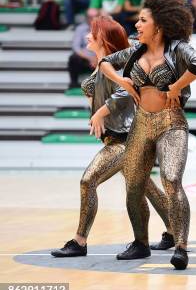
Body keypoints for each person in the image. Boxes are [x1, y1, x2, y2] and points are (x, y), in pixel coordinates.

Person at [99, 0, 196, 270]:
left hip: (171, 124)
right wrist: (123, 82)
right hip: (142, 123)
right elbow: (104, 63)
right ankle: (140, 243)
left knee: (171, 181)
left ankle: (181, 246)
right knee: (134, 185)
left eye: (142, 21)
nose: (136, 25)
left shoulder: (177, 48)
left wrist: (176, 86)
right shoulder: (136, 50)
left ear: (158, 26)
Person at [51, 16, 172, 257]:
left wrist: (100, 112)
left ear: (103, 39)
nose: (86, 36)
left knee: (88, 181)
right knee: (145, 187)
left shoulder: (120, 67)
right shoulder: (100, 68)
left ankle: (79, 241)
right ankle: (173, 232)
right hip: (114, 138)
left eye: (92, 33)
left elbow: (126, 92)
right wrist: (96, 113)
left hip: (127, 140)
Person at [67, 11, 96, 89]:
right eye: (91, 17)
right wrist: (90, 58)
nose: (93, 19)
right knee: (73, 58)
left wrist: (97, 58)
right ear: (87, 18)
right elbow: (76, 47)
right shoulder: (80, 28)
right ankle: (74, 83)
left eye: (95, 17)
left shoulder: (104, 28)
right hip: (85, 58)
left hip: (100, 57)